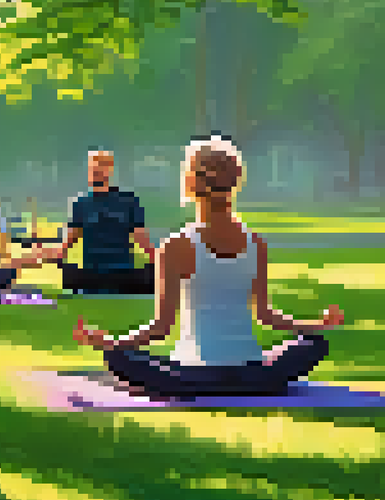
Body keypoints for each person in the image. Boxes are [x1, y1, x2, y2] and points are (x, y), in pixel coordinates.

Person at [74, 134, 344, 398]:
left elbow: (161, 327)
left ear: (190, 183)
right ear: (236, 182)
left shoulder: (176, 245)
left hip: (191, 378)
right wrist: (316, 325)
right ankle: (244, 382)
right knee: (314, 344)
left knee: (118, 358)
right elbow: (266, 315)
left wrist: (110, 343)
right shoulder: (255, 243)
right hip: (254, 375)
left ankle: (189, 379)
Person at [42, 151, 157, 295]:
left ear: (110, 169)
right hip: (91, 276)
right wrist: (45, 254)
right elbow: (68, 242)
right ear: (89, 170)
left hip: (122, 275)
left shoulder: (129, 202)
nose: (97, 168)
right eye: (94, 165)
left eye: (102, 164)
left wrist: (158, 262)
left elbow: (142, 240)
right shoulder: (80, 203)